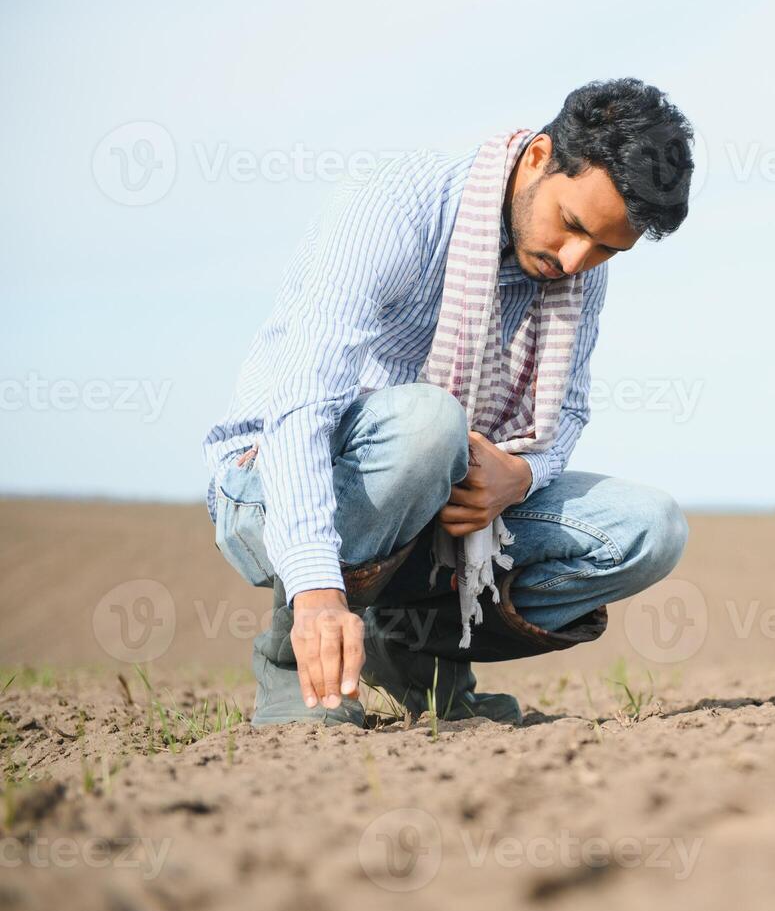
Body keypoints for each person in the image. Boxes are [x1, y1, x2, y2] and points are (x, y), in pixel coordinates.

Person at [201, 78, 696, 727]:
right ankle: (301, 671)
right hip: (274, 480)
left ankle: (407, 657)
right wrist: (319, 595)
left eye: (605, 247)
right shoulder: (396, 205)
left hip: (438, 504)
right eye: (573, 226)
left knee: (648, 528)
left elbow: (567, 412)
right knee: (430, 423)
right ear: (540, 157)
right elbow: (302, 401)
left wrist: (519, 476)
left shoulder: (576, 273)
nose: (576, 260)